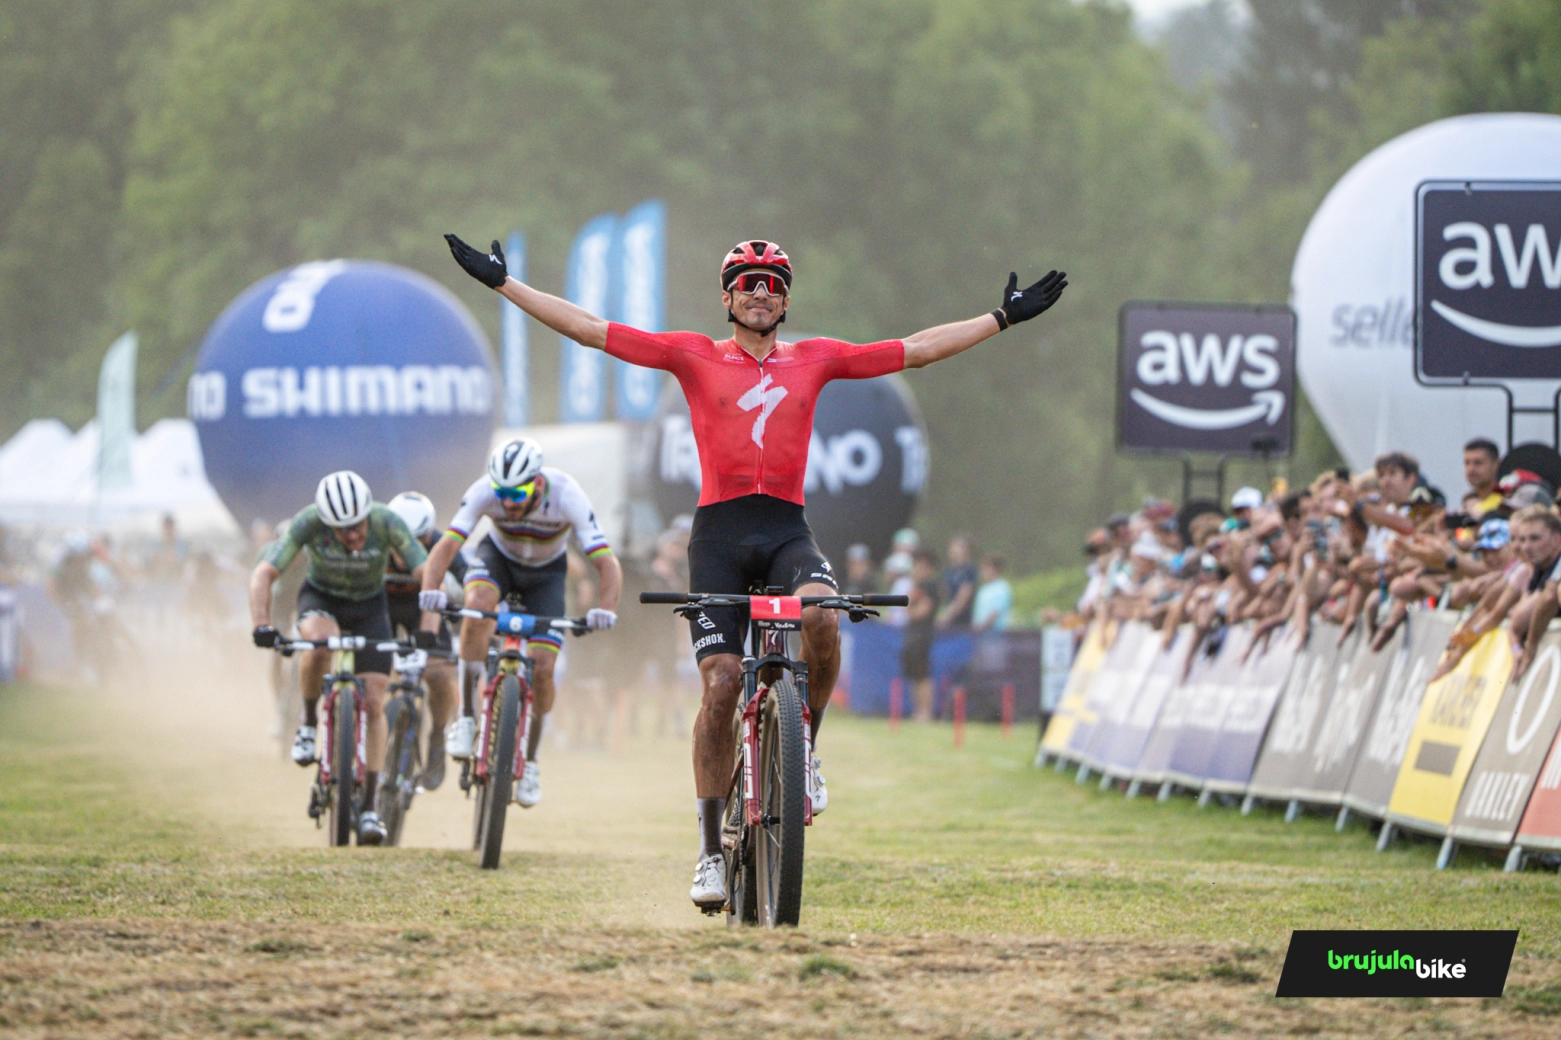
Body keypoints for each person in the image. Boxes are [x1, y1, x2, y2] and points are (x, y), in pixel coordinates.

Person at [445, 231, 1066, 909]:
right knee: (721, 683)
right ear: (726, 296)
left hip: (785, 533)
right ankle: (710, 852)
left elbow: (913, 351)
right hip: (718, 536)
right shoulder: (692, 356)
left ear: (786, 299)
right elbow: (593, 330)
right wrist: (503, 285)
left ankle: (804, 751)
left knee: (823, 616)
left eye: (773, 285)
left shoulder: (816, 360)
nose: (761, 294)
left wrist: (1000, 318)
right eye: (748, 283)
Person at [416, 437, 623, 809]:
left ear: (538, 483)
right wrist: (431, 589)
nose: (509, 501)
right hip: (498, 559)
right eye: (502, 492)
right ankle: (464, 717)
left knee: (543, 669)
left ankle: (530, 761)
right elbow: (446, 545)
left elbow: (605, 561)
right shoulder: (484, 491)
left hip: (547, 575)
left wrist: (605, 607)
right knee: (477, 606)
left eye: (519, 492)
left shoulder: (567, 494)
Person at [247, 471, 427, 846]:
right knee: (320, 644)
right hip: (321, 598)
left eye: (357, 526)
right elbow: (264, 572)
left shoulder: (386, 521)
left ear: (368, 514)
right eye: (341, 529)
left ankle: (371, 805)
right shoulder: (308, 522)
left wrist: (428, 627)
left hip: (370, 606)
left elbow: (428, 572)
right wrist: (261, 624)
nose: (352, 536)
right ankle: (309, 724)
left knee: (375, 700)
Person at [383, 491, 464, 791]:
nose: (409, 550)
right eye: (402, 541)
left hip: (426, 609)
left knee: (439, 673)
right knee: (376, 671)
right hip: (385, 607)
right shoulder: (376, 543)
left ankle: (437, 734)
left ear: (429, 534)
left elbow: (469, 575)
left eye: (419, 541)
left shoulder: (443, 543)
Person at [901, 549, 941, 721]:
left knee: (923, 674)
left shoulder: (931, 587)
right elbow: (907, 607)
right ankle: (917, 710)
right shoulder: (916, 586)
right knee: (913, 674)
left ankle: (925, 712)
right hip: (912, 633)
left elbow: (921, 611)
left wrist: (912, 611)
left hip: (923, 634)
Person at [936, 534, 977, 628]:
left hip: (961, 624)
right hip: (947, 623)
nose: (952, 550)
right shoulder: (948, 572)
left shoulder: (968, 571)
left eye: (956, 547)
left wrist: (946, 617)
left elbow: (963, 596)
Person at [971, 555, 1014, 632]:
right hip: (981, 636)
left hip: (996, 635)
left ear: (995, 569)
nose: (983, 572)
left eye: (986, 569)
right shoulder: (982, 589)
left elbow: (995, 613)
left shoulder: (1002, 588)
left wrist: (982, 628)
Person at [1463, 438, 1502, 518]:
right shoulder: (1467, 503)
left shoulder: (1505, 502)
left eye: (1478, 463)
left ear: (1496, 464)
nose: (1471, 469)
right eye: (1467, 463)